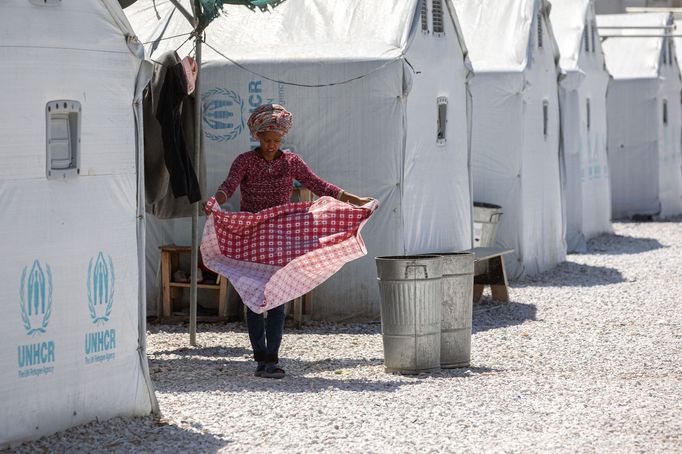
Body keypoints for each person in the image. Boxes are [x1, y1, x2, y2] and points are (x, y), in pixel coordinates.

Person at [204, 104, 372, 379]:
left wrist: (356, 201)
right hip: (253, 234)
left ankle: (272, 358)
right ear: (256, 136)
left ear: (282, 139)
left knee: (277, 296)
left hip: (281, 235)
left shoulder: (291, 161)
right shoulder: (244, 161)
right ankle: (261, 359)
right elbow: (229, 185)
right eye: (267, 140)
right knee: (254, 296)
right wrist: (215, 201)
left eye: (276, 141)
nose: (271, 146)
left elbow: (320, 186)